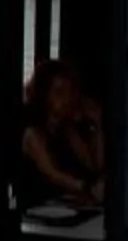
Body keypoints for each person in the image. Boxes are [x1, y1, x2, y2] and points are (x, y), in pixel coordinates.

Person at [22, 57, 107, 214]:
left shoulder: (68, 131)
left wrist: (97, 125)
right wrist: (87, 187)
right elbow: (53, 174)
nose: (67, 99)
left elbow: (94, 165)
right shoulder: (32, 134)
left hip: (65, 207)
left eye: (70, 92)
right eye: (59, 92)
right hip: (36, 211)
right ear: (44, 95)